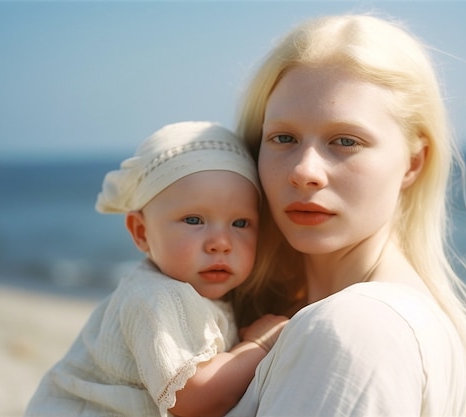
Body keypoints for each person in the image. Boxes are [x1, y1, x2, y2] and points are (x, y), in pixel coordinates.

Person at [226, 13, 466, 417]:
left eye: (345, 140)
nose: (304, 171)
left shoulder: (356, 327)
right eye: (283, 138)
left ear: (413, 163)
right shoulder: (374, 318)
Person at [25, 121, 288, 417]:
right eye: (193, 220)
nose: (221, 243)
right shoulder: (156, 297)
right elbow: (194, 398)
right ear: (140, 231)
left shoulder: (192, 291)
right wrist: (259, 345)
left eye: (240, 223)